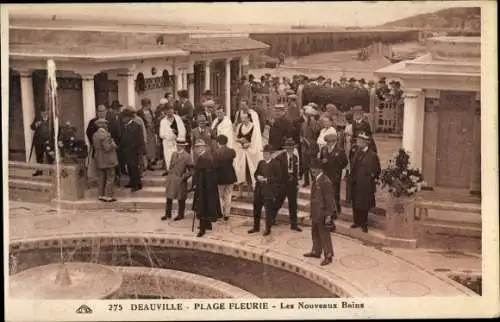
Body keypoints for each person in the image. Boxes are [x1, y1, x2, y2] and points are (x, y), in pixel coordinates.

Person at [303, 158, 336, 266]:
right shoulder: (317, 179)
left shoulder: (325, 181)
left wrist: (328, 216)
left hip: (322, 213)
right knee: (315, 232)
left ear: (319, 169)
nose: (312, 171)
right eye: (312, 168)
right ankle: (316, 251)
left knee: (324, 234)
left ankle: (328, 255)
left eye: (314, 169)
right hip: (316, 212)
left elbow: (330, 200)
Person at [349, 132, 381, 233]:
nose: (358, 142)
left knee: (364, 204)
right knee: (355, 202)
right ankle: (356, 221)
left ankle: (364, 223)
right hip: (355, 181)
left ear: (365, 143)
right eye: (358, 140)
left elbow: (377, 170)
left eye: (360, 140)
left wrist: (371, 177)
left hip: (365, 183)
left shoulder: (372, 155)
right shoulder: (356, 152)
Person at [191, 139, 223, 237]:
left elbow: (203, 176)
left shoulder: (204, 158)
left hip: (204, 188)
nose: (196, 149)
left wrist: (196, 185)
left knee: (202, 207)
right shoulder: (205, 157)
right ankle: (207, 225)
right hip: (206, 187)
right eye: (196, 147)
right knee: (205, 207)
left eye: (198, 147)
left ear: (203, 147)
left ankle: (202, 229)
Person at [248, 144, 282, 236]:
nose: (265, 155)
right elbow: (255, 174)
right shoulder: (261, 163)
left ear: (271, 154)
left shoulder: (276, 164)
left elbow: (278, 178)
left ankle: (268, 229)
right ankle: (256, 227)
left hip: (269, 191)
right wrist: (257, 177)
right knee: (256, 209)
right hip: (259, 190)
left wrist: (267, 179)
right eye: (264, 153)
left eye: (266, 154)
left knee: (268, 211)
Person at [319, 133, 348, 223]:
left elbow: (345, 162)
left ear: (334, 142)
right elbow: (320, 161)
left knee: (334, 194)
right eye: (327, 142)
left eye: (330, 142)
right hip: (326, 176)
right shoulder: (323, 150)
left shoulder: (340, 151)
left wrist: (337, 169)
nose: (328, 144)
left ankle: (334, 212)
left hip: (335, 177)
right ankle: (328, 212)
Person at [274, 138, 302, 232]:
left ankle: (294, 224)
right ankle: (271, 219)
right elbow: (277, 172)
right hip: (282, 184)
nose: (290, 149)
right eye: (289, 147)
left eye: (292, 147)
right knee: (278, 202)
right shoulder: (280, 157)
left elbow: (296, 170)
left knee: (293, 204)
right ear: (286, 148)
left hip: (292, 184)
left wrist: (296, 183)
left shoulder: (295, 157)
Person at [233, 112, 263, 197]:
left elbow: (255, 141)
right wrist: (240, 143)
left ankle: (251, 193)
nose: (243, 120)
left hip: (251, 153)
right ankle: (240, 192)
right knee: (240, 171)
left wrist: (249, 144)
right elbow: (236, 137)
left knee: (250, 172)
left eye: (245, 118)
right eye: (242, 118)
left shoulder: (254, 127)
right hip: (241, 153)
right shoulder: (239, 126)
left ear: (249, 118)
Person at [162, 138, 193, 221]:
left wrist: (184, 177)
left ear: (184, 146)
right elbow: (171, 166)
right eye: (178, 145)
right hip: (171, 178)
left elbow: (191, 170)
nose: (179, 147)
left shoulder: (187, 156)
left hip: (180, 179)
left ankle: (180, 214)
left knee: (181, 198)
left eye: (181, 145)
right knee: (169, 197)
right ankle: (167, 214)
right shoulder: (173, 154)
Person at [92, 119, 118, 202]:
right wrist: (113, 143)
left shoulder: (95, 135)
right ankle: (108, 196)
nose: (107, 125)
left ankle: (101, 195)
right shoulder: (105, 135)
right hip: (107, 158)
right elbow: (107, 147)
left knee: (101, 177)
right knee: (110, 177)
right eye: (106, 124)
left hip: (99, 158)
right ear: (103, 125)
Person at [120, 108, 145, 192]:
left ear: (129, 117)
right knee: (130, 167)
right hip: (127, 150)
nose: (123, 119)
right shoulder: (125, 125)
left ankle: (138, 184)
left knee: (134, 167)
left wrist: (135, 148)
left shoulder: (136, 126)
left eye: (124, 117)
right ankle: (132, 181)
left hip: (134, 151)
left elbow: (139, 140)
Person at [213, 135, 237, 221]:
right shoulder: (232, 151)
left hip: (220, 177)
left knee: (219, 196)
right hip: (230, 175)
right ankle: (227, 214)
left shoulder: (216, 153)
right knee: (228, 195)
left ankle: (220, 213)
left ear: (218, 142)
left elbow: (214, 166)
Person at [159, 104, 186, 176]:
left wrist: (177, 135)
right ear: (165, 111)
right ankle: (169, 171)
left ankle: (178, 171)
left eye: (171, 110)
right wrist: (169, 136)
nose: (169, 112)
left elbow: (183, 130)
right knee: (168, 158)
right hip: (167, 143)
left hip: (177, 142)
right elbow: (161, 134)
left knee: (177, 157)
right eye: (167, 111)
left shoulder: (178, 118)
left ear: (173, 110)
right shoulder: (163, 121)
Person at [300, 105, 321, 187]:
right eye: (306, 114)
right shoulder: (303, 123)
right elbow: (301, 133)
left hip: (312, 147)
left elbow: (316, 132)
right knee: (305, 165)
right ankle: (306, 181)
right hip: (305, 147)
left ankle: (314, 181)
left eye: (309, 115)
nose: (307, 116)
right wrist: (302, 139)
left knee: (313, 165)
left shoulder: (315, 123)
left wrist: (312, 122)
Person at [30, 106, 53, 176]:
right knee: (39, 157)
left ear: (48, 112)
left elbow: (55, 129)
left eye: (45, 112)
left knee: (50, 157)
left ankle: (52, 172)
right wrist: (36, 124)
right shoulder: (38, 118)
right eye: (42, 112)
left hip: (47, 141)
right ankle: (39, 171)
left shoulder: (50, 120)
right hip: (38, 141)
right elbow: (32, 127)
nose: (44, 114)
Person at [136, 98, 157, 170]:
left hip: (151, 131)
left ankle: (149, 164)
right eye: (148, 104)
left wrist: (152, 126)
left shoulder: (150, 111)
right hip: (144, 131)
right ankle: (144, 165)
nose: (149, 105)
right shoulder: (139, 112)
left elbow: (153, 120)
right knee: (145, 147)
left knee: (151, 148)